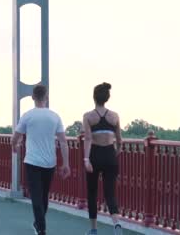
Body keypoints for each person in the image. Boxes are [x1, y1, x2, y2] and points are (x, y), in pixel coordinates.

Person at [12, 84, 70, 235]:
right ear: (47, 97)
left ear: (32, 97)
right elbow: (63, 141)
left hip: (32, 162)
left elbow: (16, 137)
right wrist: (66, 163)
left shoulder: (27, 115)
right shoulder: (54, 116)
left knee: (36, 195)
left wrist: (14, 146)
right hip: (50, 162)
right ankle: (40, 225)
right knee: (44, 196)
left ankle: (40, 225)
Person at [82, 82, 123, 235]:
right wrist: (115, 153)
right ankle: (117, 223)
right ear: (107, 98)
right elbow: (119, 141)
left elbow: (87, 139)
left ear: (94, 98)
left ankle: (93, 230)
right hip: (110, 155)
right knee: (110, 193)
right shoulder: (115, 116)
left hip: (94, 155)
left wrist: (86, 159)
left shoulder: (88, 116)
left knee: (92, 193)